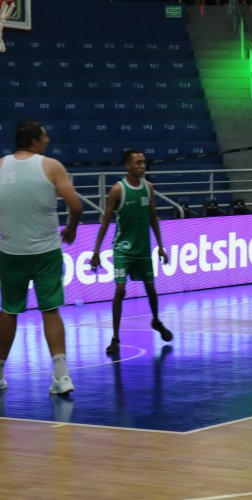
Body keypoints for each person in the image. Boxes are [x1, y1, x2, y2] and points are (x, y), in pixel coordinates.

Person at [0, 120, 83, 395]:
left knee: (9, 310)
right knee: (50, 310)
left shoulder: (0, 165)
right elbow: (76, 206)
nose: (48, 140)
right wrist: (70, 228)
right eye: (45, 136)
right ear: (34, 140)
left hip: (11, 251)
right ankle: (62, 377)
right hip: (46, 252)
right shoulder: (51, 166)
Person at [90, 149, 173, 355]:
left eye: (144, 162)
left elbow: (153, 217)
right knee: (120, 290)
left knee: (151, 289)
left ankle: (155, 320)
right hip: (122, 249)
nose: (142, 166)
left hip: (143, 249)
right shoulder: (118, 190)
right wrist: (96, 251)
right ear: (128, 165)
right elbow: (105, 222)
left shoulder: (149, 188)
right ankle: (115, 337)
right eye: (138, 162)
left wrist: (161, 246)